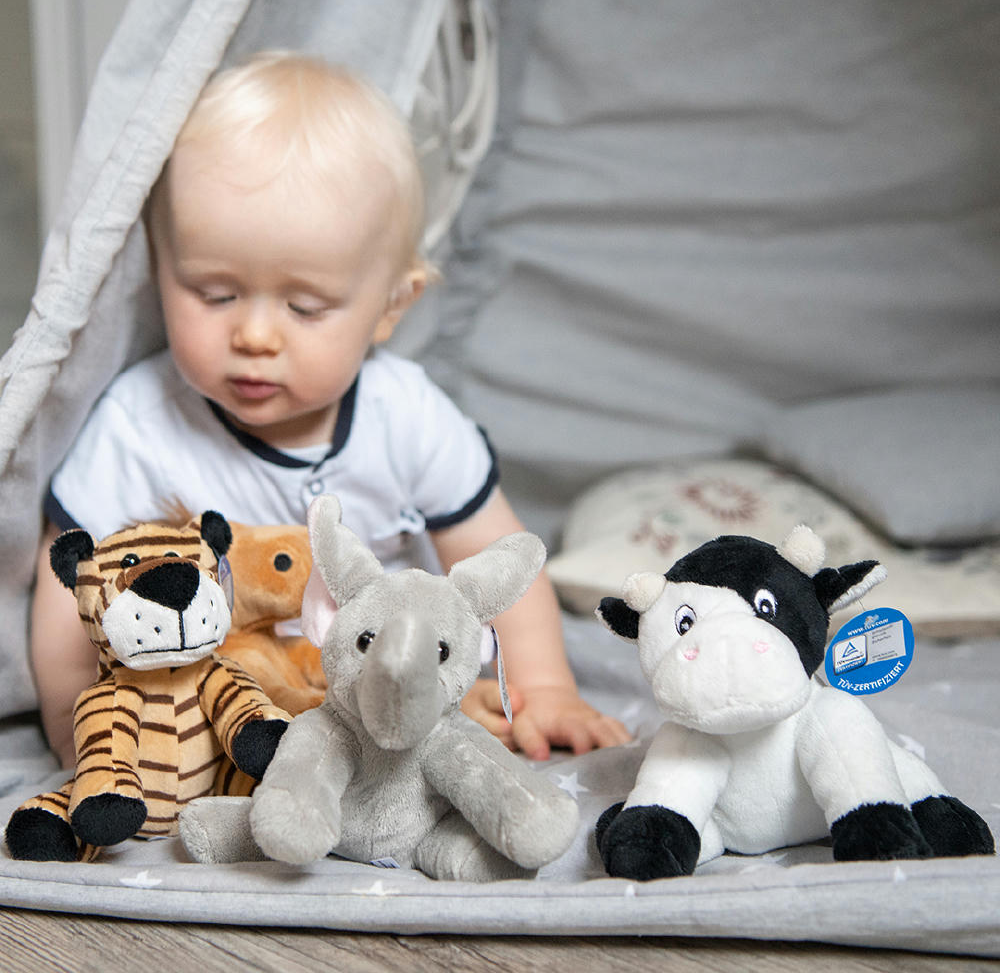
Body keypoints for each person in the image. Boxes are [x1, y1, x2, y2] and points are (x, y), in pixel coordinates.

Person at [31, 50, 630, 770]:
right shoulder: (138, 425)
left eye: (305, 307)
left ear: (391, 306)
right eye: (214, 294)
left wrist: (545, 688)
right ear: (160, 272)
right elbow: (69, 592)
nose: (255, 336)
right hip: (223, 701)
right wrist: (77, 729)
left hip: (390, 679)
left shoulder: (406, 414)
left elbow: (495, 560)